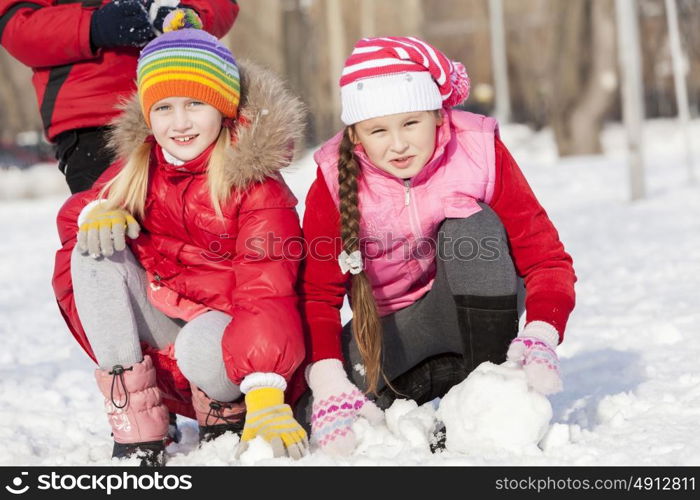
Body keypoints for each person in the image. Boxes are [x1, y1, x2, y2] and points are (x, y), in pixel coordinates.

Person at [297, 36, 576, 456]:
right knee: (307, 412)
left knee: (473, 228)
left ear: (437, 116)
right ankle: (436, 381)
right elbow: (317, 294)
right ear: (356, 135)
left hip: (476, 305)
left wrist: (541, 331)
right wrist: (328, 378)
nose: (398, 144)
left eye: (411, 123)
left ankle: (491, 392)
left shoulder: (477, 149)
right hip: (391, 328)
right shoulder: (335, 180)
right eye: (378, 130)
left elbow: (546, 257)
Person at [51, 10, 308, 465]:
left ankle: (224, 410)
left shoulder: (256, 186)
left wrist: (267, 387)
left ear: (223, 107)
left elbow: (267, 289)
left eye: (195, 104)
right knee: (92, 252)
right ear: (148, 115)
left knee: (199, 342)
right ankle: (136, 419)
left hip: (235, 352)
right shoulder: (137, 169)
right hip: (168, 340)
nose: (180, 122)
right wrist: (96, 213)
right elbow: (74, 219)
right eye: (164, 108)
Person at [0, 0, 239, 194]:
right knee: (107, 226)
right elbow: (16, 27)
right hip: (95, 118)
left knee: (212, 216)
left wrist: (192, 14)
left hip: (183, 98)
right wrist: (93, 26)